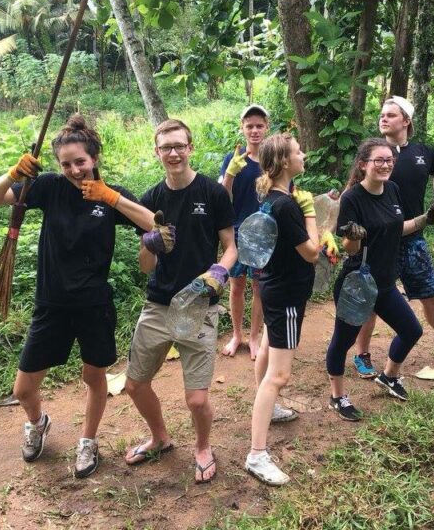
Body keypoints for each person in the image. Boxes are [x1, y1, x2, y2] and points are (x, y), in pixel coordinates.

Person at [0, 114, 167, 478]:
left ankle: (88, 440)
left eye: (80, 162)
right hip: (51, 304)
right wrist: (14, 174)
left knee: (93, 377)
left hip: (94, 305)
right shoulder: (49, 186)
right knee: (23, 388)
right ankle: (37, 422)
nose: (74, 170)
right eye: (66, 164)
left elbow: (154, 224)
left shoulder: (110, 195)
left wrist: (110, 197)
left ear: (93, 158)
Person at [123, 119, 237, 484]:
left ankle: (203, 447)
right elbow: (145, 267)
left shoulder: (213, 193)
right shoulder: (151, 200)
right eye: (165, 147)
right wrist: (149, 244)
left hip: (199, 302)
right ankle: (160, 438)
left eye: (179, 146)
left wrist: (220, 271)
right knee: (135, 384)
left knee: (198, 400)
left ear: (190, 148)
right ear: (157, 153)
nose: (173, 153)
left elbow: (231, 246)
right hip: (157, 304)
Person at [352, 96, 434, 380]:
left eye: (391, 115)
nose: (383, 118)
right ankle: (361, 354)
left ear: (406, 121)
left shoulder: (423, 153)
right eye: (382, 115)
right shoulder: (375, 153)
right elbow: (356, 187)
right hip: (381, 242)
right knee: (373, 300)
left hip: (413, 239)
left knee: (431, 296)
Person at [327, 139, 434, 419]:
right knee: (343, 341)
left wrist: (426, 219)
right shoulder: (352, 198)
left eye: (389, 161)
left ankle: (389, 376)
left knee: (411, 330)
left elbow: (398, 228)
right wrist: (354, 237)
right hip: (357, 283)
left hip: (384, 281)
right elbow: (349, 248)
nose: (385, 165)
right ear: (363, 165)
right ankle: (337, 396)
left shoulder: (392, 190)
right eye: (378, 161)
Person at [244, 134, 320, 486]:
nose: (303, 154)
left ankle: (269, 407)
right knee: (280, 375)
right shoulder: (288, 206)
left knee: (269, 357)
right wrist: (312, 214)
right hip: (287, 294)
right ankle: (257, 454)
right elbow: (312, 253)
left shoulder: (272, 198)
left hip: (274, 288)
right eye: (297, 151)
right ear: (285, 163)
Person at [219, 104, 269, 360]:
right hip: (237, 233)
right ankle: (237, 334)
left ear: (266, 127)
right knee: (236, 286)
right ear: (242, 128)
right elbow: (222, 200)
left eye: (259, 125)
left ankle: (254, 337)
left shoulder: (273, 160)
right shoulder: (233, 158)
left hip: (263, 236)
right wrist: (229, 175)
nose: (254, 130)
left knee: (259, 286)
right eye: (249, 125)